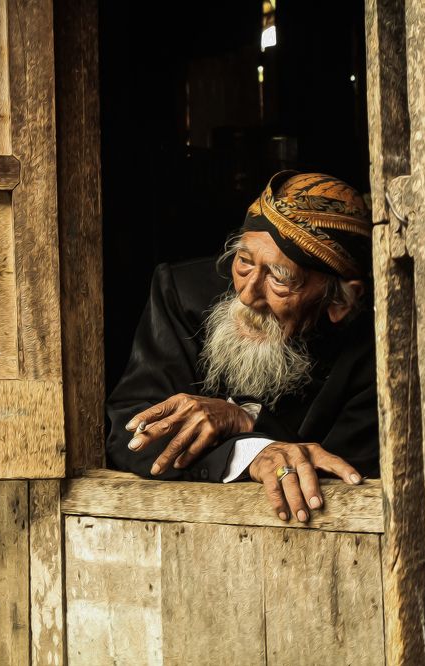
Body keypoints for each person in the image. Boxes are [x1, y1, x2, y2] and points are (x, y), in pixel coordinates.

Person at [105, 171, 378, 523]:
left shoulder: (375, 348)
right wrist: (251, 453)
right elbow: (132, 429)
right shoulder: (182, 294)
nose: (247, 295)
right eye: (244, 262)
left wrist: (244, 420)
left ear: (341, 300)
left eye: (280, 277)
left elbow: (344, 473)